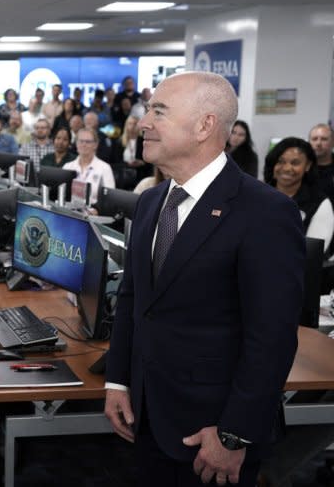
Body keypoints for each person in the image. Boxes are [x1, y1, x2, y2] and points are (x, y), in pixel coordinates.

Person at [104, 71, 304, 487]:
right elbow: (132, 298)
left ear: (204, 125)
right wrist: (118, 380)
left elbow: (272, 340)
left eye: (159, 111)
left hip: (213, 434)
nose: (144, 122)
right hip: (145, 418)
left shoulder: (265, 213)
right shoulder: (151, 201)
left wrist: (234, 434)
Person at [264, 137, 333, 253]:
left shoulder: (320, 203)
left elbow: (312, 252)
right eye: (281, 161)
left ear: (308, 166)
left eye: (295, 163)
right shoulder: (258, 194)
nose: (286, 168)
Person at [62, 128, 115, 205]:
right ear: (76, 144)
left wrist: (97, 210)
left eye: (88, 142)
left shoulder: (105, 168)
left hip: (93, 213)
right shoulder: (68, 166)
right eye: (81, 141)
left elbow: (111, 199)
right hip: (69, 210)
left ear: (95, 145)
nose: (84, 144)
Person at [308, 123, 334, 200]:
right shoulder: (301, 166)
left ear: (333, 142)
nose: (318, 143)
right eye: (314, 139)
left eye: (324, 139)